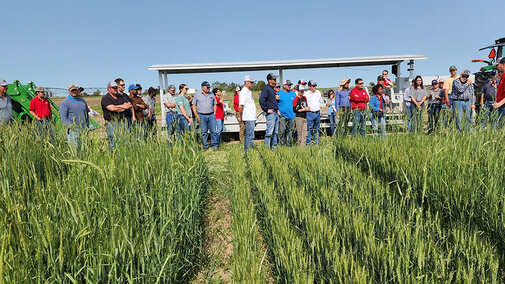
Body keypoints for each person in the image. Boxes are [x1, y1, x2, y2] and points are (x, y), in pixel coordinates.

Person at [101, 81, 132, 149]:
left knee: (125, 142)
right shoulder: (106, 98)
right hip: (112, 123)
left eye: (116, 88)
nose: (116, 89)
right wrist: (123, 106)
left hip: (123, 122)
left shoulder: (120, 96)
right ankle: (112, 158)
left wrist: (117, 107)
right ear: (109, 88)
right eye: (114, 88)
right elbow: (112, 108)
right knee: (113, 143)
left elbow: (129, 105)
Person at [60, 84, 90, 149]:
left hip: (83, 129)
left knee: (83, 148)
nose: (74, 91)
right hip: (73, 130)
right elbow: (63, 117)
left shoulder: (82, 101)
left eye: (75, 90)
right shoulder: (65, 102)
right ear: (69, 91)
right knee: (74, 149)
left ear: (78, 90)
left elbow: (86, 114)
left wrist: (87, 126)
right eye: (72, 90)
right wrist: (71, 126)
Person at [192, 81, 218, 149]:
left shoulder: (211, 94)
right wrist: (196, 115)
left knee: (213, 132)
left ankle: (214, 146)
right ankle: (205, 146)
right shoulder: (197, 94)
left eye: (209, 87)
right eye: (207, 87)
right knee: (203, 132)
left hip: (211, 115)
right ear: (203, 87)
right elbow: (194, 105)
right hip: (201, 115)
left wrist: (214, 113)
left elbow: (215, 104)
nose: (209, 88)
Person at [259, 73, 279, 150]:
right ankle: (267, 149)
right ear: (269, 80)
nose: (275, 80)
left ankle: (274, 149)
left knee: (275, 132)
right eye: (274, 79)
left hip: (275, 113)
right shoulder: (267, 88)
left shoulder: (272, 89)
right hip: (271, 114)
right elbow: (261, 99)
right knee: (269, 132)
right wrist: (266, 109)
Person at [239, 75, 256, 155]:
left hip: (251, 117)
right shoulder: (243, 92)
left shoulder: (249, 91)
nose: (252, 84)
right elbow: (241, 106)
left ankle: (248, 153)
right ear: (246, 82)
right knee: (250, 137)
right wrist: (241, 116)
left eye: (253, 82)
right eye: (251, 82)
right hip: (248, 117)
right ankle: (248, 153)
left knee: (249, 136)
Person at [277, 80, 296, 146]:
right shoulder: (279, 94)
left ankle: (289, 145)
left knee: (290, 131)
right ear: (284, 85)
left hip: (291, 115)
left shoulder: (293, 94)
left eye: (290, 85)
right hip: (282, 115)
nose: (289, 86)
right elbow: (275, 103)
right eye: (288, 85)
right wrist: (277, 111)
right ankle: (281, 145)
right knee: (281, 131)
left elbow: (295, 104)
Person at [305, 80, 322, 145]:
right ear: (309, 86)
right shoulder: (306, 94)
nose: (315, 87)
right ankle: (308, 143)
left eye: (316, 85)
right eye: (314, 86)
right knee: (309, 129)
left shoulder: (318, 92)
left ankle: (316, 143)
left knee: (317, 129)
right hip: (310, 113)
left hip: (317, 112)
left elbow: (320, 101)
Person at [493, 57, 505, 127]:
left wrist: (499, 104)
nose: (496, 67)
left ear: (503, 65)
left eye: (497, 65)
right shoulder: (502, 77)